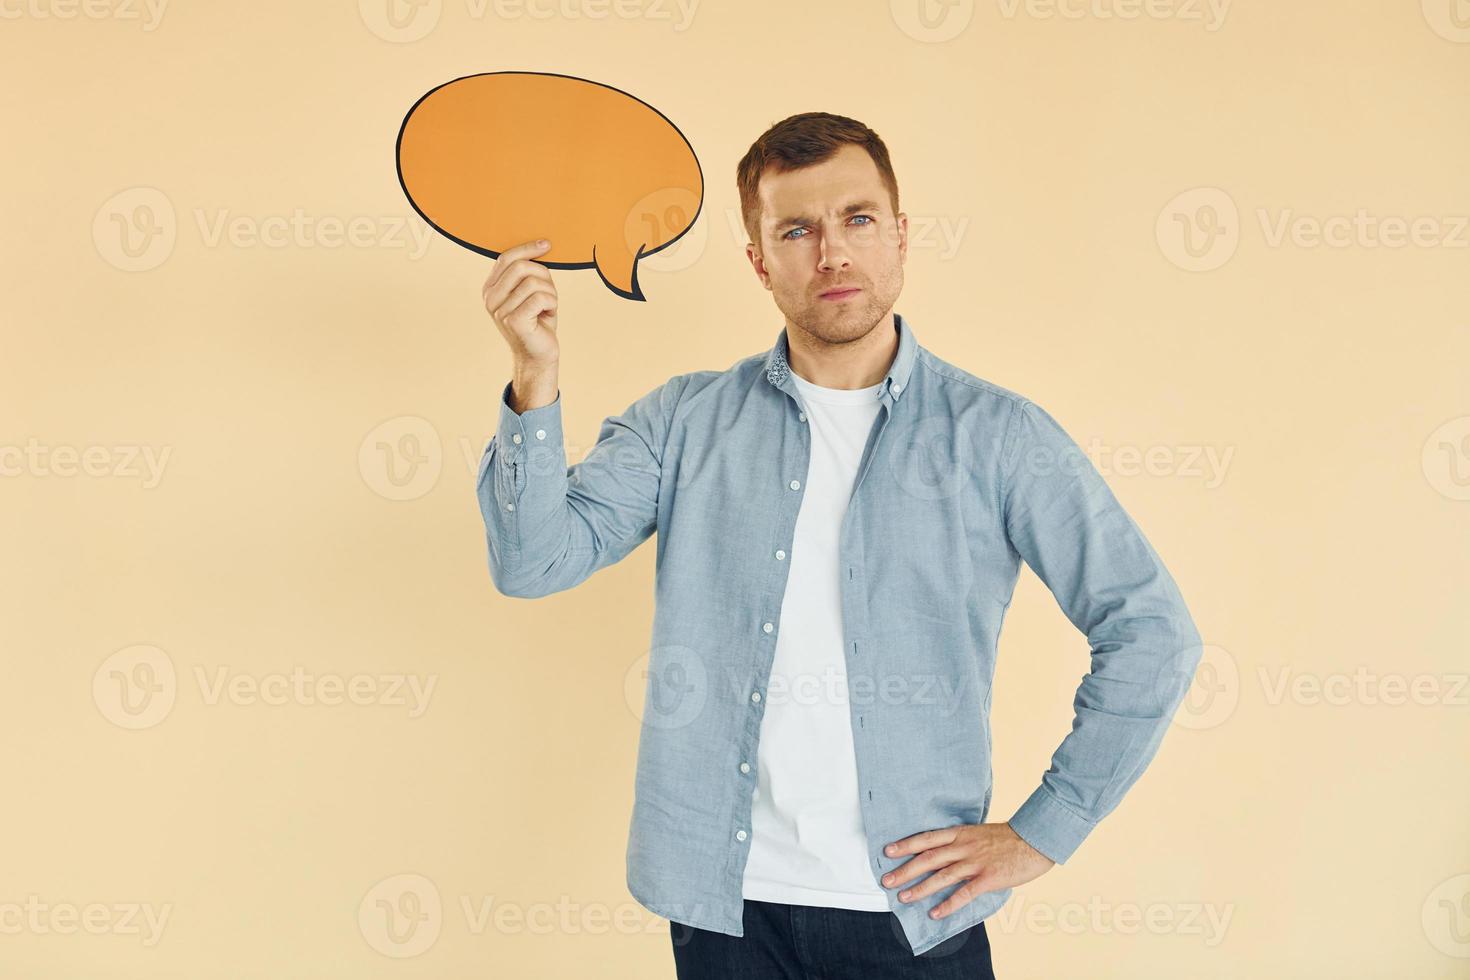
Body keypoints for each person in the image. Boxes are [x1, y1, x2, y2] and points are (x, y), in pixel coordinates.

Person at [475, 111, 1203, 979]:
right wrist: (535, 377)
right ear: (759, 260)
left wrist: (1046, 830)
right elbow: (534, 563)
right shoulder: (684, 420)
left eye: (858, 219)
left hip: (915, 913)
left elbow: (1152, 630)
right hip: (724, 910)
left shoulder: (1000, 436)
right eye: (797, 229)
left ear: (900, 235)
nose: (833, 253)